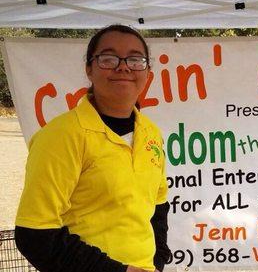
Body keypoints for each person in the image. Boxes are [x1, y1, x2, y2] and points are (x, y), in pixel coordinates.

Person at [14, 25, 171, 272]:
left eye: (135, 59)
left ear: (147, 71)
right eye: (108, 58)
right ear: (89, 68)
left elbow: (158, 204)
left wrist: (158, 259)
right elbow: (35, 234)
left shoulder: (151, 133)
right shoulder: (61, 135)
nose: (124, 66)